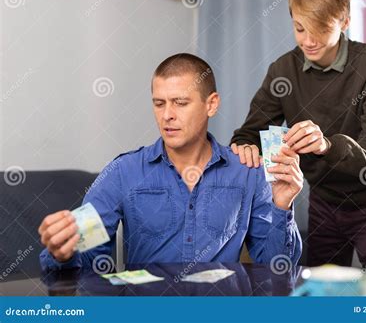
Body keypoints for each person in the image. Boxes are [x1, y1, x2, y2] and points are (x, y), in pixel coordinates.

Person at [38, 53, 303, 271]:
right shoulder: (123, 172)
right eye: (159, 103)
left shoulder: (247, 172)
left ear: (211, 105)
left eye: (180, 103)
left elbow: (276, 270)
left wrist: (282, 205)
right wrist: (64, 254)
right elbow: (86, 260)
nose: (167, 115)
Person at [230, 0, 366, 268]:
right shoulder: (283, 70)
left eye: (320, 29)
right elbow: (250, 134)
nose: (308, 41)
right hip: (324, 203)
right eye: (299, 28)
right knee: (321, 294)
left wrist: (326, 145)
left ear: (344, 21)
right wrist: (244, 146)